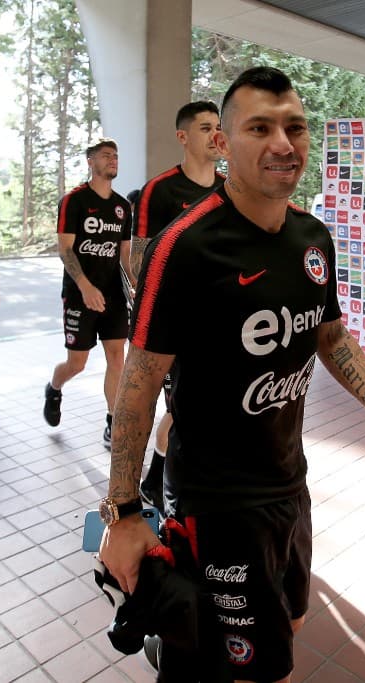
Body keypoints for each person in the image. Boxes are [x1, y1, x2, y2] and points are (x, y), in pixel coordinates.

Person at [98, 67, 365, 682]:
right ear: (223, 145)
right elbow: (139, 384)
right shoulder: (184, 247)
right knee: (259, 674)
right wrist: (124, 513)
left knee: (290, 625)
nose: (283, 143)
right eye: (260, 128)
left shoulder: (313, 238)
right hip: (216, 502)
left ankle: (182, 641)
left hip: (289, 486)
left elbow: (330, 336)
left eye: (295, 127)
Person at [132, 100, 224, 510]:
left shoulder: (229, 189)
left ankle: (159, 480)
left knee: (199, 409)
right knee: (179, 410)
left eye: (218, 126)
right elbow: (138, 260)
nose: (215, 134)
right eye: (205, 128)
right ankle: (155, 484)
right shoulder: (160, 190)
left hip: (220, 327)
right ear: (183, 136)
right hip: (173, 328)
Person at [43, 138, 135, 449]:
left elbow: (125, 253)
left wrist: (136, 281)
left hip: (112, 297)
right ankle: (54, 387)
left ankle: (113, 420)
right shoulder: (75, 201)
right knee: (78, 363)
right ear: (90, 162)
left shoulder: (122, 207)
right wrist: (85, 286)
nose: (113, 160)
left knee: (116, 358)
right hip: (79, 294)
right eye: (106, 156)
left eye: (116, 156)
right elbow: (65, 249)